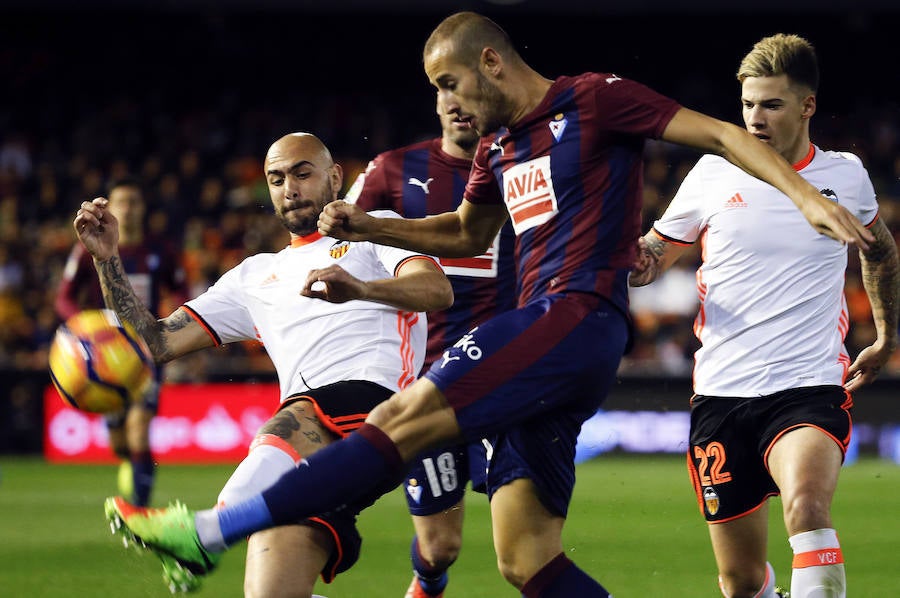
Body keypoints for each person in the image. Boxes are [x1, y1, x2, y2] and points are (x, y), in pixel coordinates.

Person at [102, 13, 875, 598]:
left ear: (491, 62)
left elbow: (717, 135)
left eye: (449, 83)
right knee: (524, 558)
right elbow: (467, 231)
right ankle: (220, 529)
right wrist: (371, 222)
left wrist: (805, 196)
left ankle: (211, 530)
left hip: (570, 315)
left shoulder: (596, 101)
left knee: (395, 422)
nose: (447, 103)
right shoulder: (501, 150)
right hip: (556, 344)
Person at [77, 132, 452, 596]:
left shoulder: (375, 229)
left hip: (375, 407)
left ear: (334, 177)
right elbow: (153, 342)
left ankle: (205, 532)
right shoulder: (255, 276)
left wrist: (361, 288)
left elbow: (437, 290)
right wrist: (107, 259)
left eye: (301, 173)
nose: (289, 188)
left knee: (292, 416)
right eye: (276, 179)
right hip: (304, 455)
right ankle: (212, 531)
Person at [629, 34, 899, 598]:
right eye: (749, 104)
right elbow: (652, 259)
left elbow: (880, 250)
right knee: (741, 580)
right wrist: (615, 256)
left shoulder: (844, 175)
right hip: (722, 393)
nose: (755, 118)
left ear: (807, 106)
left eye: (772, 104)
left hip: (808, 387)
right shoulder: (710, 174)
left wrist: (886, 334)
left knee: (807, 509)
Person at [344, 96, 516, 598]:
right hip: (424, 382)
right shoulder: (392, 169)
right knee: (440, 546)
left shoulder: (523, 167)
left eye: (470, 94)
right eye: (448, 92)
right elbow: (342, 245)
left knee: (523, 544)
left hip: (504, 378)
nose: (460, 106)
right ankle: (428, 581)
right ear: (436, 100)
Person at [55, 176, 187, 507]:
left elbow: (181, 291)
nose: (127, 209)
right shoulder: (87, 248)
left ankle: (138, 512)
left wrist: (175, 322)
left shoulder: (161, 251)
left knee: (139, 425)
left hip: (146, 351)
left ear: (142, 209)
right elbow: (64, 298)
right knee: (120, 443)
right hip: (105, 355)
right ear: (110, 208)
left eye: (134, 202)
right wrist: (82, 327)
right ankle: (132, 465)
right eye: (121, 202)